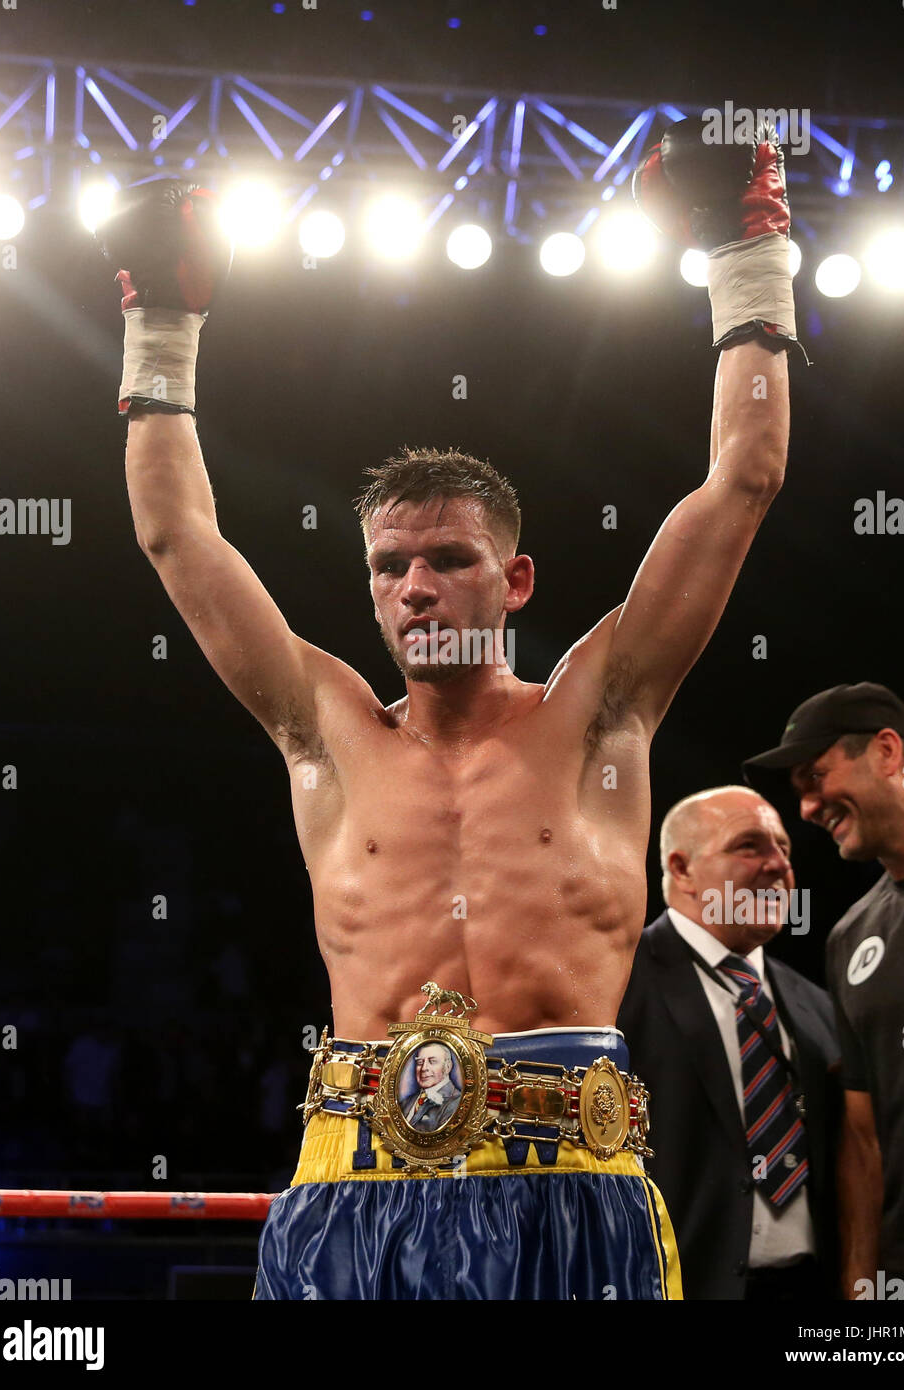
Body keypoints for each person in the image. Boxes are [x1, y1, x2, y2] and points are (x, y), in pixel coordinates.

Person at [97, 115, 801, 1300]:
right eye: (389, 566)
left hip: (571, 1183)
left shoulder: (602, 711)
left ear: (513, 578)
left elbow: (745, 478)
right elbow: (177, 536)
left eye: (448, 558)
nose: (415, 585)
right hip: (361, 1187)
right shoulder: (322, 726)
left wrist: (751, 251)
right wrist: (160, 328)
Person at [743, 682, 904, 1298]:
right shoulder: (850, 939)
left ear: (888, 752)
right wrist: (861, 1285)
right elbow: (863, 1136)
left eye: (816, 777)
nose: (809, 809)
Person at [619, 787, 841, 1299]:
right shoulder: (616, 987)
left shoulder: (817, 1006)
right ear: (682, 868)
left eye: (785, 849)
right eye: (750, 845)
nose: (778, 865)